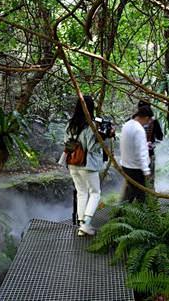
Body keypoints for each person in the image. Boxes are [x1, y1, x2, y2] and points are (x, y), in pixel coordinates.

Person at [63, 95, 103, 236]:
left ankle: (82, 226)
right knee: (95, 193)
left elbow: (66, 142)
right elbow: (92, 148)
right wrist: (101, 137)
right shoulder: (90, 125)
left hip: (73, 163)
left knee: (81, 193)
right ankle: (86, 224)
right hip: (87, 165)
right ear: (90, 108)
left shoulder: (70, 124)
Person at [121, 105, 153, 203]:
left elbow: (128, 144)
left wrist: (145, 144)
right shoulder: (139, 129)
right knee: (141, 196)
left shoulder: (127, 125)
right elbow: (141, 152)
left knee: (130, 194)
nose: (148, 123)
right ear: (147, 118)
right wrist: (146, 170)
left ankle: (121, 214)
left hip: (126, 166)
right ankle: (141, 216)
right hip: (136, 168)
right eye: (149, 121)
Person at [137, 100, 163, 182]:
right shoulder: (154, 121)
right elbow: (160, 137)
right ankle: (149, 192)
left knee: (137, 178)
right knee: (149, 177)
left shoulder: (133, 120)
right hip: (149, 153)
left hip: (135, 155)